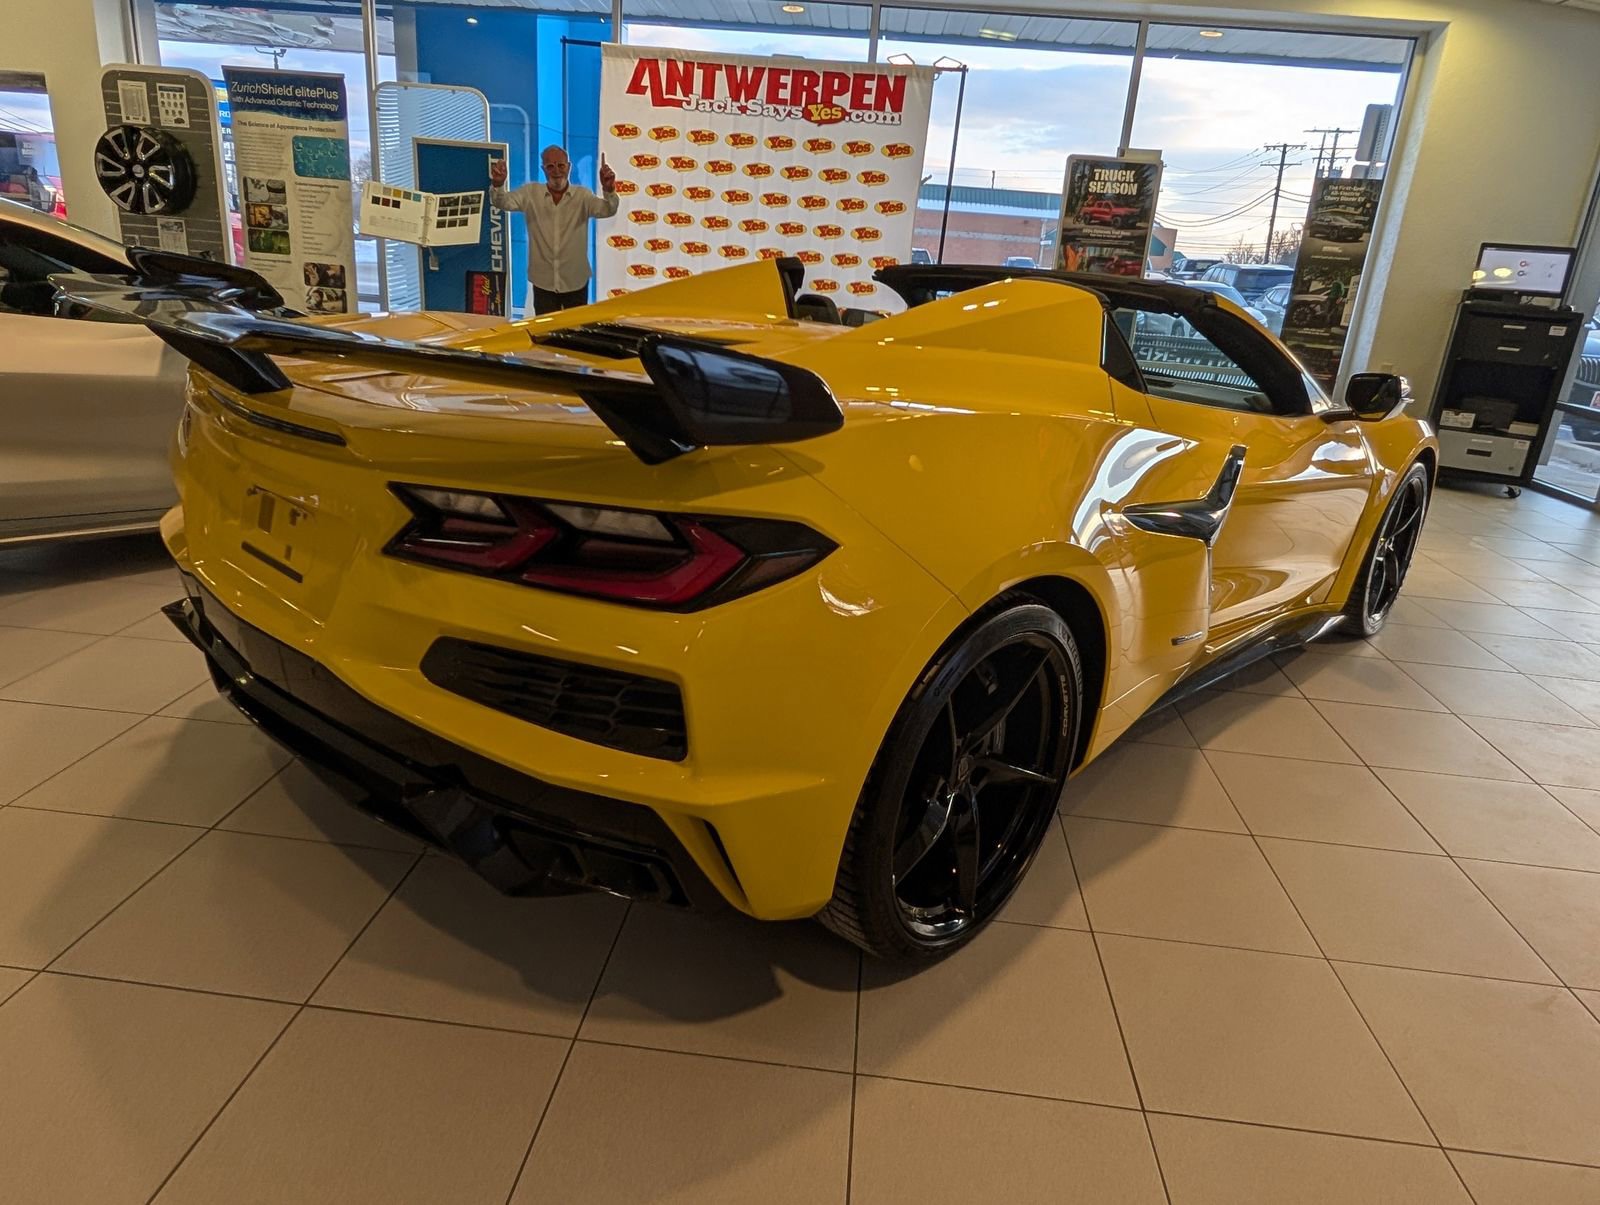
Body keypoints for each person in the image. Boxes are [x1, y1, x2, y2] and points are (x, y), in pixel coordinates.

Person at [489, 146, 618, 314]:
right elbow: (502, 202)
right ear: (543, 169)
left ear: (569, 167)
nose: (556, 171)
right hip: (543, 284)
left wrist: (609, 189)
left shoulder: (583, 196)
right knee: (547, 335)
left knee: (575, 332)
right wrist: (498, 184)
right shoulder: (530, 193)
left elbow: (608, 209)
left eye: (561, 165)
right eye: (550, 166)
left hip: (575, 282)